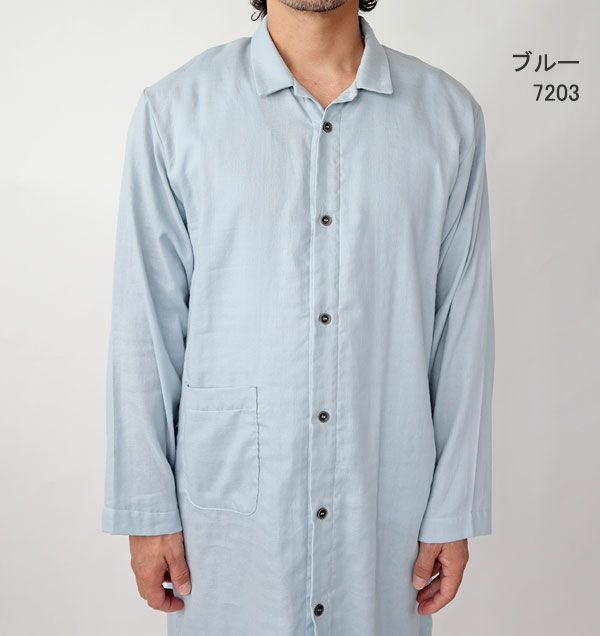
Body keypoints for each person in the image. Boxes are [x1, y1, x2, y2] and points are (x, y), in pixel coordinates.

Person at [102, 1, 495, 634]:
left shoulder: (447, 118)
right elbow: (144, 326)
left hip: (386, 515)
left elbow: (462, 328)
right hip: (230, 532)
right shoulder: (175, 113)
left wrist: (453, 508)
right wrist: (147, 511)